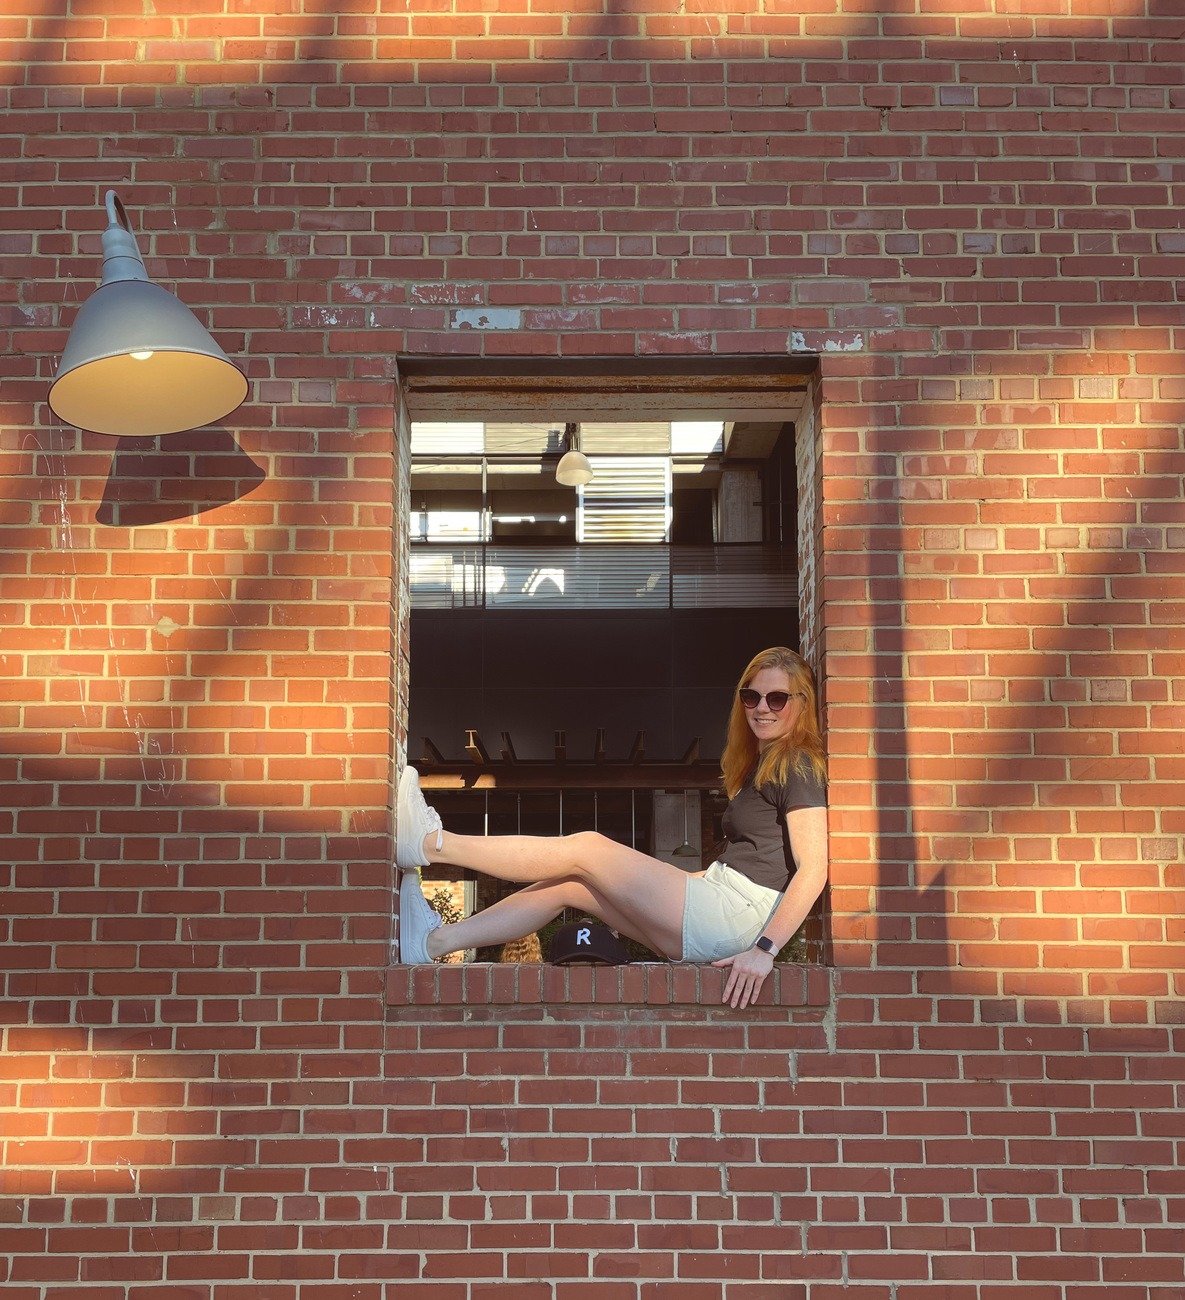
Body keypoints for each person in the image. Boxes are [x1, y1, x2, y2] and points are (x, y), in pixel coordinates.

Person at [396, 646, 828, 1009]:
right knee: (567, 886)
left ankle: (430, 845)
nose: (762, 708)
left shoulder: (799, 764)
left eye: (777, 699)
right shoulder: (763, 766)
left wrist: (765, 950)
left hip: (735, 917)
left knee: (586, 847)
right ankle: (432, 944)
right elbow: (744, 865)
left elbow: (814, 868)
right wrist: (667, 881)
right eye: (751, 697)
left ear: (802, 704)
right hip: (720, 905)